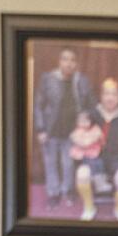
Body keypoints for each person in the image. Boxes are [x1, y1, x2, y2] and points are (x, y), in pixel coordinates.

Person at [32, 47, 92, 211]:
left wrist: (85, 117)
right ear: (59, 61)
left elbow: (89, 105)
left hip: (72, 132)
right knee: (50, 164)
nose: (69, 63)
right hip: (50, 132)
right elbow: (38, 105)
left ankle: (68, 191)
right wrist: (41, 129)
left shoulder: (81, 80)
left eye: (72, 60)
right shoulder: (48, 79)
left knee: (68, 165)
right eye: (65, 59)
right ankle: (53, 193)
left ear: (76, 63)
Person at [78, 78, 118, 223]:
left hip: (116, 159)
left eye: (114, 94)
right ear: (101, 96)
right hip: (94, 158)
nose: (110, 98)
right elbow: (80, 132)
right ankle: (89, 208)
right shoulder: (93, 114)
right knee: (82, 174)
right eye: (106, 94)